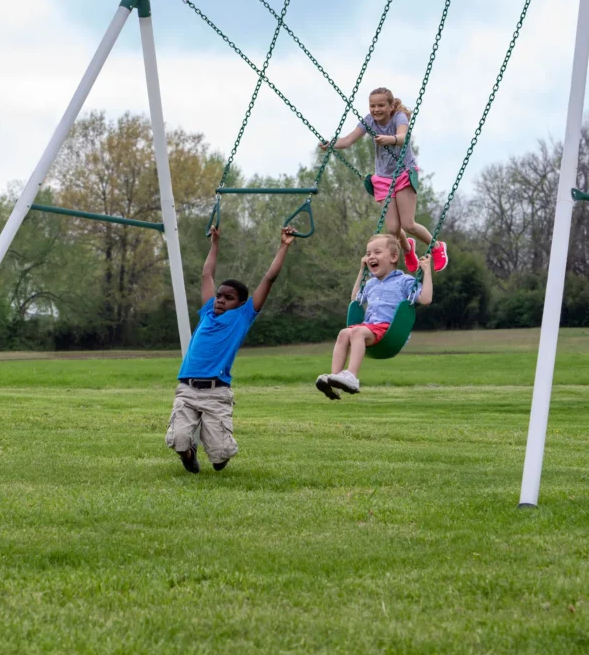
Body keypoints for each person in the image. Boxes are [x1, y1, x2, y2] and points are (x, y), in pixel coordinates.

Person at [167, 225, 295, 473]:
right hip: (187, 388)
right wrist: (215, 243)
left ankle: (214, 443)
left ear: (241, 303)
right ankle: (189, 454)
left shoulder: (242, 316)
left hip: (216, 392)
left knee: (220, 458)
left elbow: (269, 278)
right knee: (179, 440)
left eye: (228, 298)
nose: (220, 300)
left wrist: (284, 246)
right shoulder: (207, 312)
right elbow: (207, 274)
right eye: (219, 296)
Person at [320, 86, 448, 274]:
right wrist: (331, 144)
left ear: (390, 106)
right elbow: (348, 140)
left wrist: (390, 139)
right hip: (383, 179)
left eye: (381, 105)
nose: (376, 109)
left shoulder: (399, 118)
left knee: (408, 224)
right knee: (393, 228)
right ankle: (408, 249)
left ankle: (437, 246)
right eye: (372, 106)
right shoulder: (369, 121)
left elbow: (404, 137)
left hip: (403, 173)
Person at [315, 233, 433, 400]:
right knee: (344, 333)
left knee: (357, 332)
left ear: (393, 257)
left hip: (389, 331)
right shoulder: (370, 283)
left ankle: (352, 377)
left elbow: (426, 298)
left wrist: (427, 272)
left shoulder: (404, 281)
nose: (371, 257)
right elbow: (355, 299)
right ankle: (334, 380)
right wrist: (361, 270)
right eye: (368, 253)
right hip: (370, 327)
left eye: (377, 252)